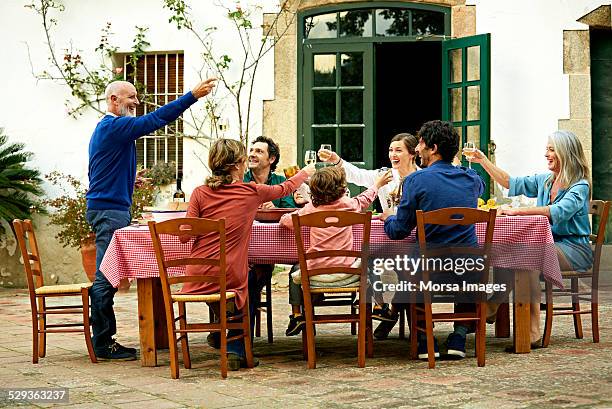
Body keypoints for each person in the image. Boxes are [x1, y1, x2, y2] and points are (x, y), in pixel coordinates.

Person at [86, 78, 216, 361]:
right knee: (106, 276)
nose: (135, 102)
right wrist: (191, 96)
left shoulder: (110, 130)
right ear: (113, 100)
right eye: (130, 98)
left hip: (109, 207)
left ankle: (105, 339)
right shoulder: (114, 126)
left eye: (136, 97)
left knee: (107, 273)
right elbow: (157, 119)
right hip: (109, 210)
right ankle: (103, 343)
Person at [181, 138, 315, 370]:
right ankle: (234, 347)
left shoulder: (200, 193)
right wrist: (304, 173)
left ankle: (228, 339)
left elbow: (184, 235)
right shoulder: (250, 191)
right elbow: (284, 189)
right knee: (247, 280)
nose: (246, 163)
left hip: (197, 276)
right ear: (236, 166)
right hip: (231, 273)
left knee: (242, 282)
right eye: (243, 159)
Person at [466, 129, 592, 346]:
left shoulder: (580, 185)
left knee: (528, 257)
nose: (547, 154)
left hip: (574, 248)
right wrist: (483, 161)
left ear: (566, 153)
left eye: (552, 150)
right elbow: (510, 183)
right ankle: (497, 309)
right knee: (510, 250)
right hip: (549, 244)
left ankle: (528, 330)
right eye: (547, 149)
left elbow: (558, 211)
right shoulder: (545, 180)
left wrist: (518, 212)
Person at [381, 120, 485, 360]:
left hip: (430, 268)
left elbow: (398, 231)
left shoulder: (416, 181)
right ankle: (459, 336)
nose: (417, 149)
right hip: (469, 267)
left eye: (420, 144)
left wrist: (388, 218)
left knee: (407, 270)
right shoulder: (472, 179)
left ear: (433, 148)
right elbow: (472, 185)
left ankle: (424, 339)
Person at [319, 133, 420, 338]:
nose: (393, 154)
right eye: (391, 150)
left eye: (398, 150)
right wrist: (336, 160)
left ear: (412, 154)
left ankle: (392, 314)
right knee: (371, 260)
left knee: (409, 273)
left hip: (416, 240)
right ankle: (385, 309)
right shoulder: (385, 176)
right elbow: (357, 175)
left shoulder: (423, 177)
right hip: (391, 238)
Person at [279, 167, 392, 336]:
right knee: (370, 261)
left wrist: (284, 217)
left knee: (295, 269)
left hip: (315, 269)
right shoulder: (349, 205)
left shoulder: (310, 209)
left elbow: (287, 222)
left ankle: (297, 314)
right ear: (341, 188)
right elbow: (365, 198)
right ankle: (379, 304)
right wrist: (377, 185)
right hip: (347, 269)